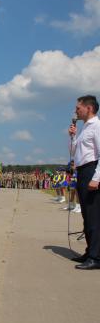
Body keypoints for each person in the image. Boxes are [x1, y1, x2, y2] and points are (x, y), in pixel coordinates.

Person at [68, 95, 100, 270]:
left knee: (94, 216)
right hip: (82, 171)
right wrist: (73, 137)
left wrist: (96, 178)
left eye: (78, 107)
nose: (76, 111)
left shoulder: (97, 126)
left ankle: (96, 257)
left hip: (91, 171)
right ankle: (90, 251)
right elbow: (74, 153)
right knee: (86, 216)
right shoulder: (84, 128)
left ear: (89, 108)